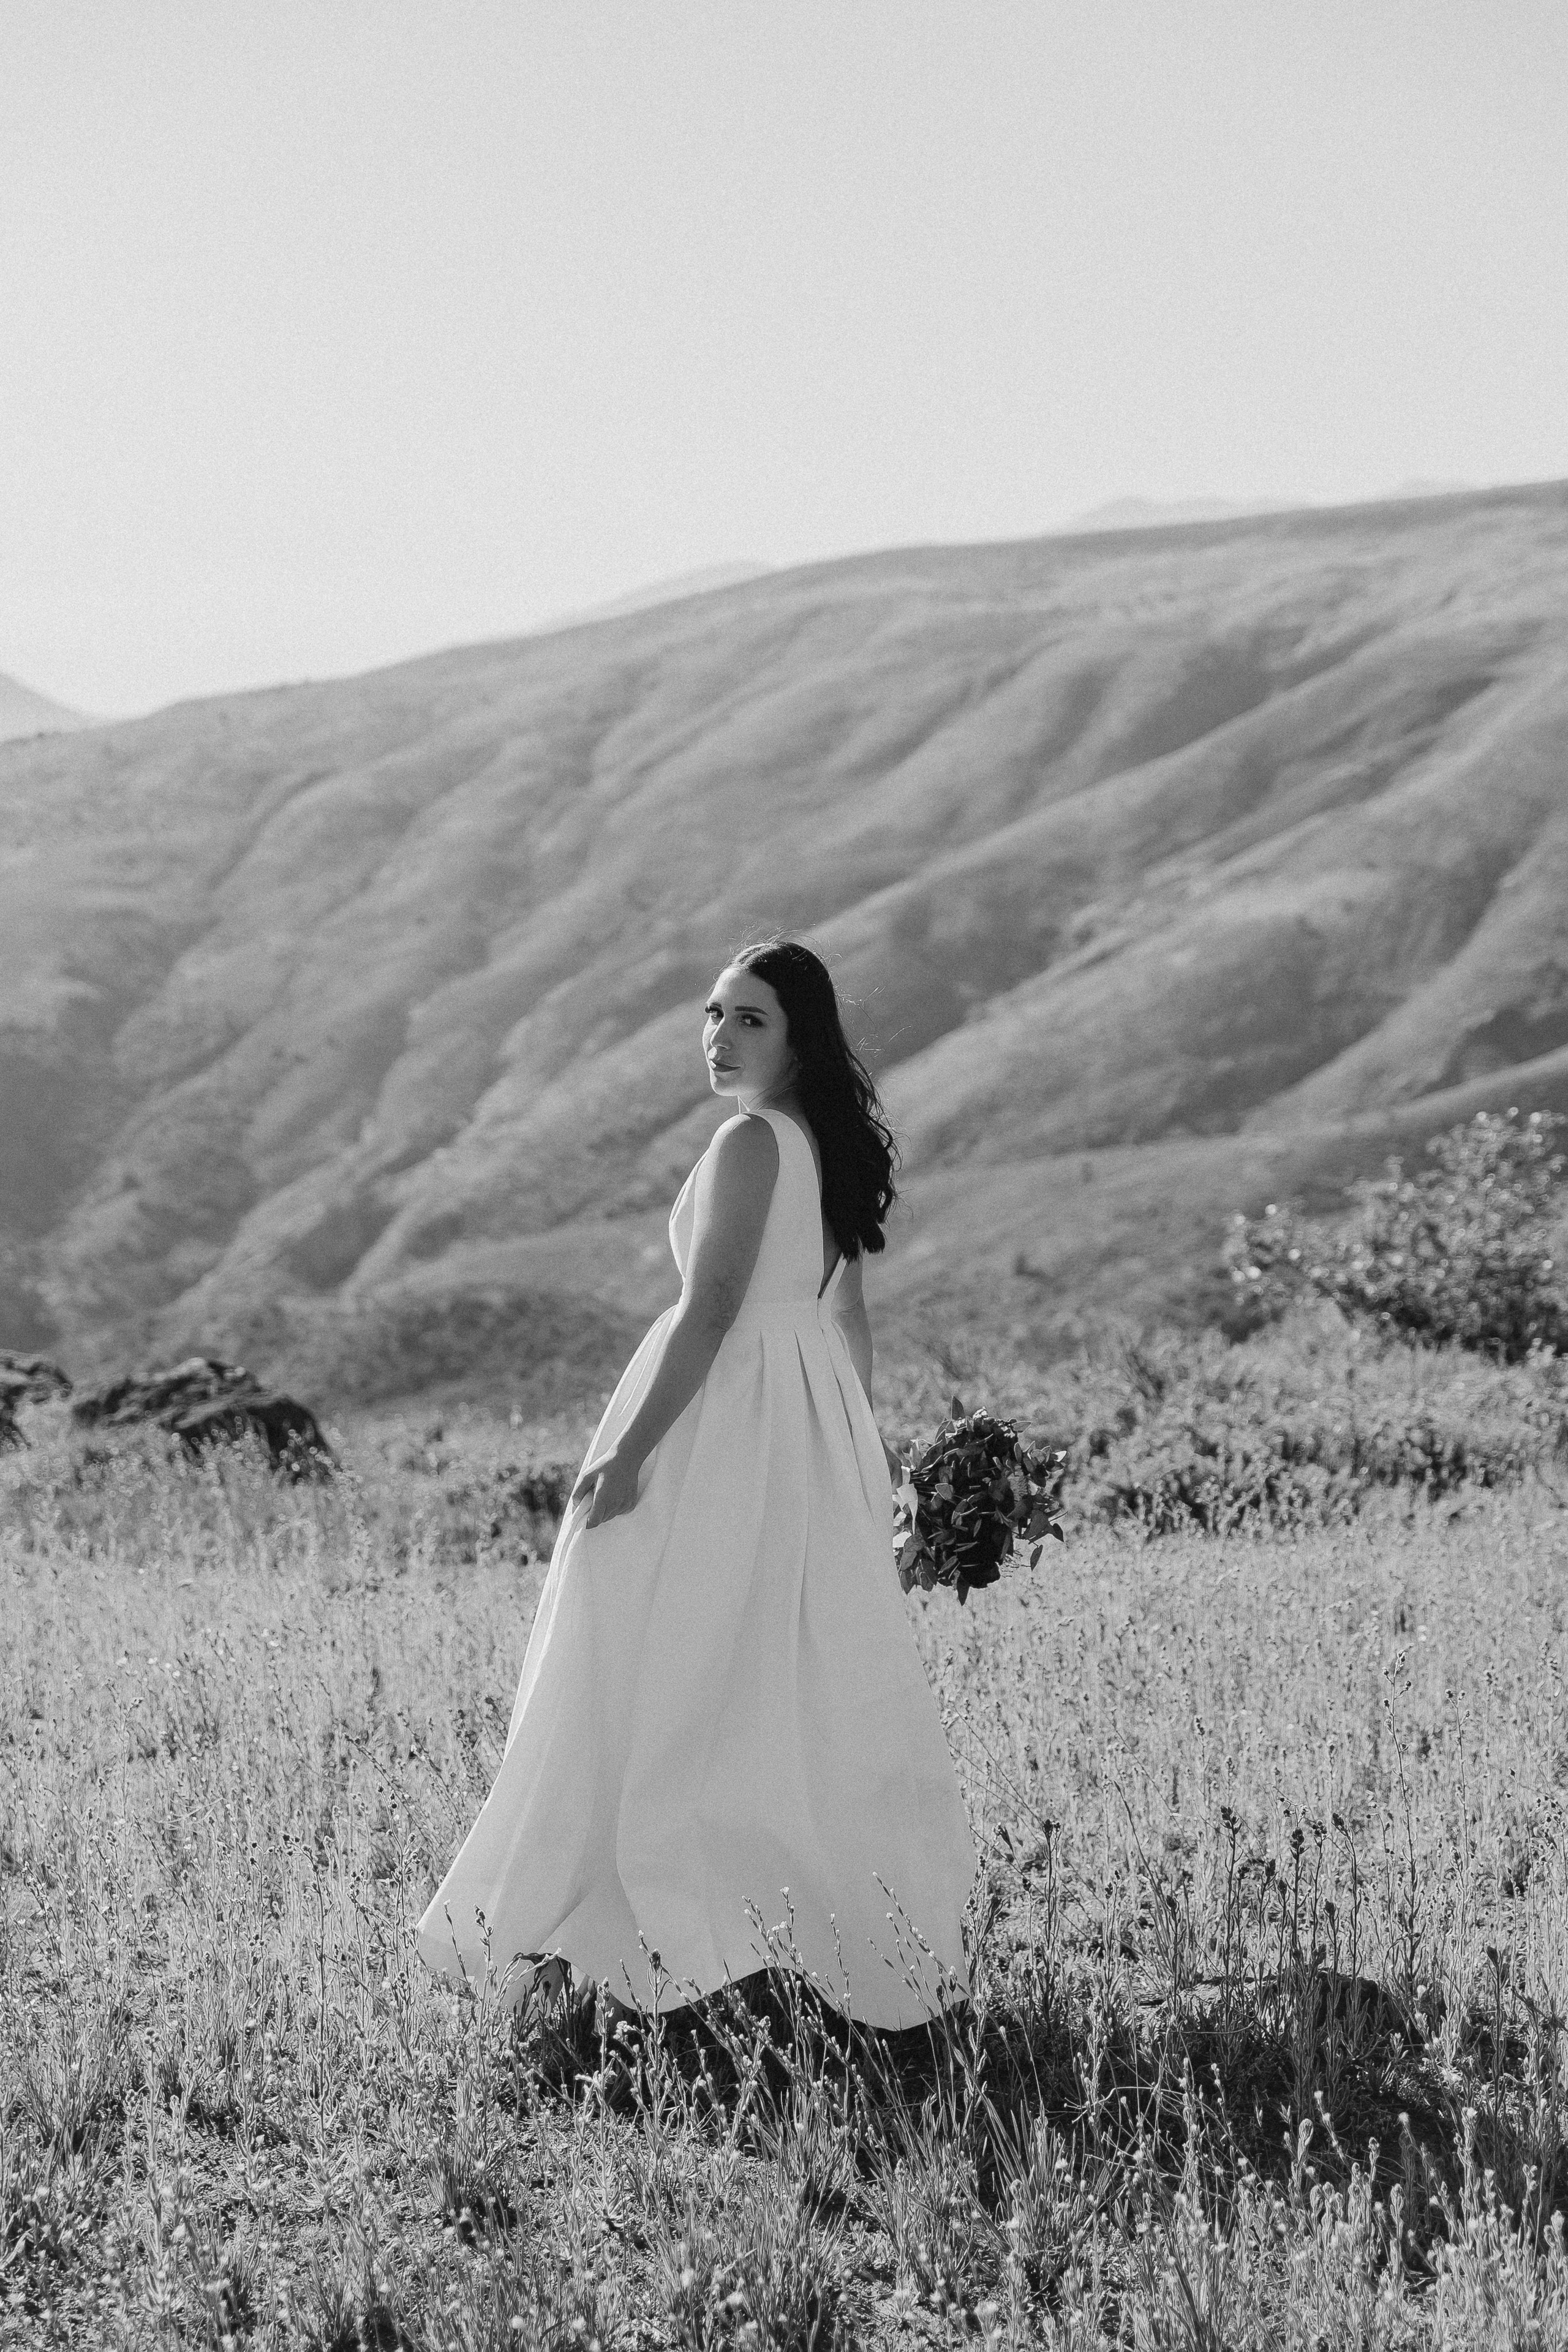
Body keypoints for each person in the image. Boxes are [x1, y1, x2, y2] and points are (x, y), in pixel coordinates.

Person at [416, 938, 976, 2029]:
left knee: (640, 1650)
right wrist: (863, 1457)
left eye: (751, 1019)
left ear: (800, 1035)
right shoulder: (829, 1147)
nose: (720, 1037)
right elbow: (845, 1317)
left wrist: (629, 1455)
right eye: (713, 1014)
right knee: (770, 1665)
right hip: (803, 1418)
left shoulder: (752, 1142)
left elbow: (713, 1310)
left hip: (725, 1420)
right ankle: (770, 1927)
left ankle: (629, 1926)